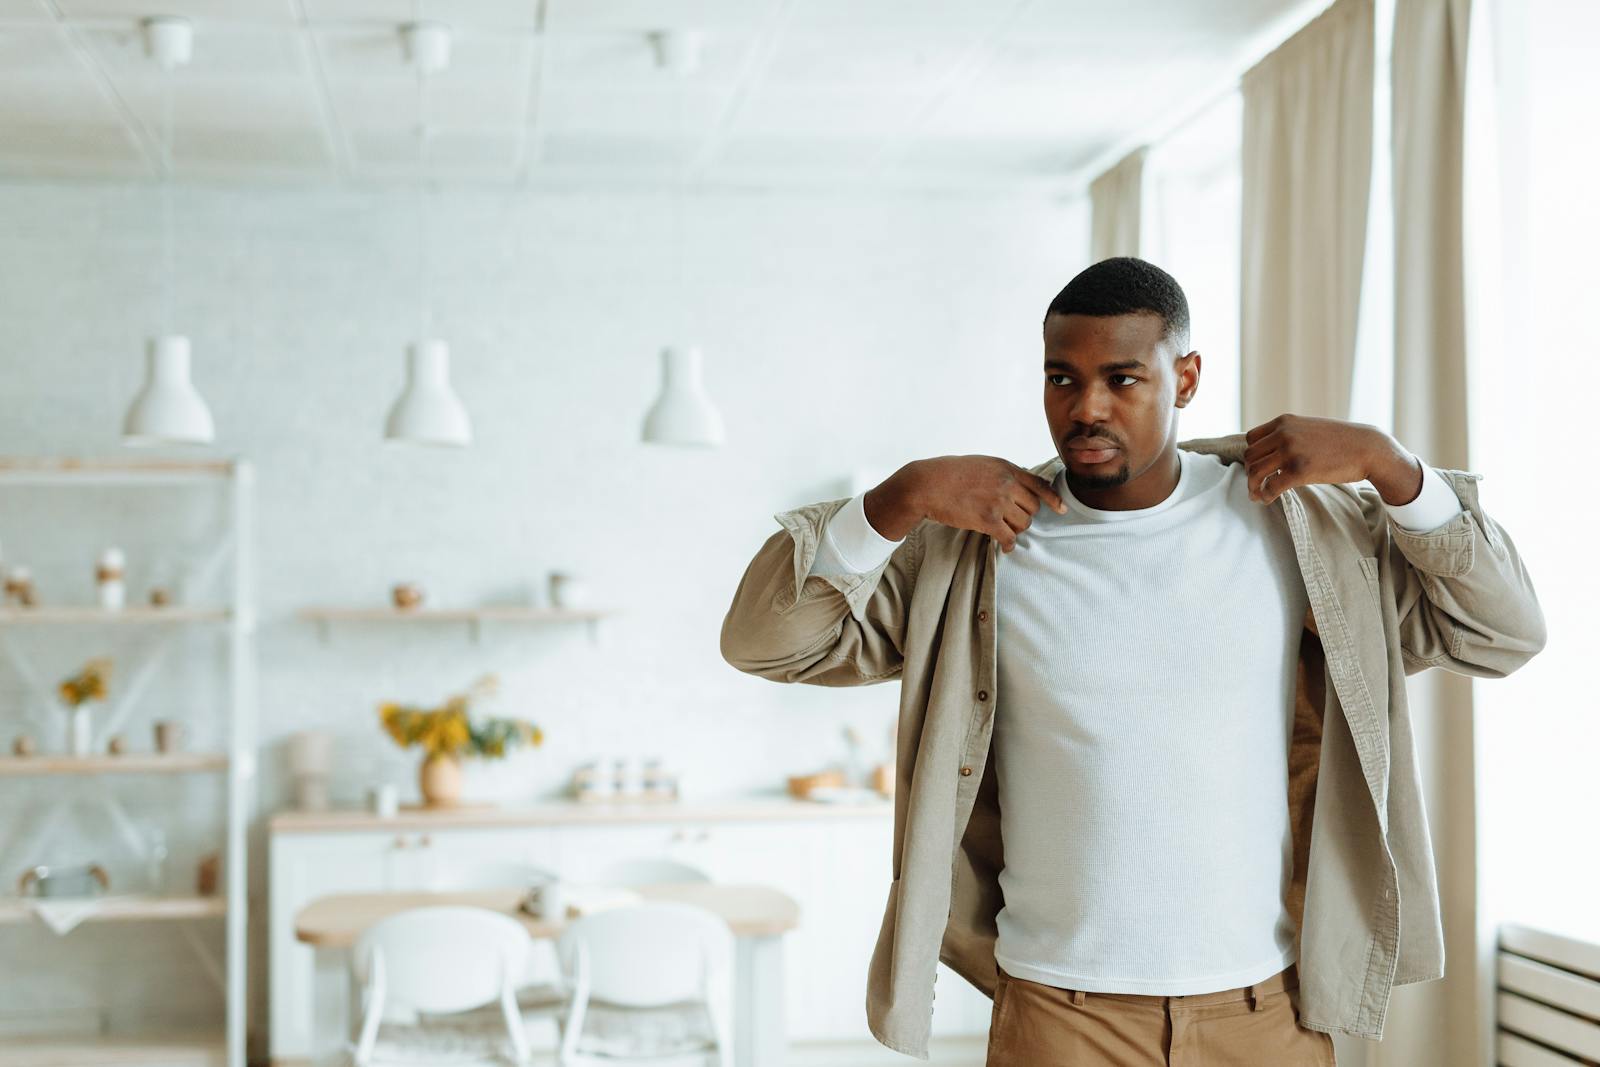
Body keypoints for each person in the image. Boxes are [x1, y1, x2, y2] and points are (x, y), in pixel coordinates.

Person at [719, 256, 1545, 1065]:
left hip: (1264, 1012)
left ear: (1185, 377)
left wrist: (1393, 468)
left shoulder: (1300, 530)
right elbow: (765, 640)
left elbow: (1503, 628)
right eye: (1063, 379)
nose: (1088, 408)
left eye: (1123, 379)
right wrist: (895, 500)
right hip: (1057, 1013)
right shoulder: (981, 548)